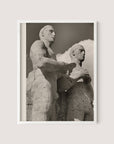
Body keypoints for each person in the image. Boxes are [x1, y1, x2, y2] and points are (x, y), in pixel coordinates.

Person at [27, 25, 75, 121]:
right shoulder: (39, 43)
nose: (54, 34)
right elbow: (40, 61)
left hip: (53, 94)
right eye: (50, 31)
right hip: (42, 87)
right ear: (42, 34)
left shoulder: (52, 55)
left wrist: (75, 75)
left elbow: (59, 82)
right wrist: (63, 65)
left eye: (54, 32)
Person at [66, 44, 94, 121]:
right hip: (75, 104)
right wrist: (79, 75)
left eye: (84, 51)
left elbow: (89, 88)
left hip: (88, 105)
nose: (84, 53)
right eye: (81, 51)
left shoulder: (85, 70)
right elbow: (62, 86)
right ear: (73, 53)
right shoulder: (68, 67)